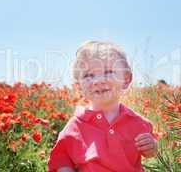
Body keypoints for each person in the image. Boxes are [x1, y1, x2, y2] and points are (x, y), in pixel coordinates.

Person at [48, 40, 158, 172]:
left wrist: (152, 146)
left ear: (126, 79)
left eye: (108, 72)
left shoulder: (138, 123)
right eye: (89, 75)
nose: (98, 80)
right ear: (79, 86)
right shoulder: (76, 126)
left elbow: (150, 153)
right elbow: (61, 158)